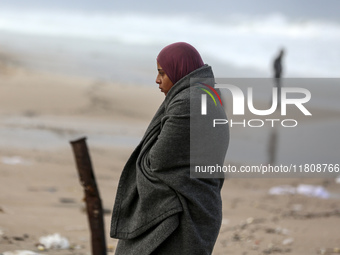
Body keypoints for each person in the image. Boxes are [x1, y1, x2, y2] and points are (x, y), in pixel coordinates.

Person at [110, 42, 229, 254]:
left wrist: (145, 165)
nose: (157, 80)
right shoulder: (208, 95)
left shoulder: (189, 101)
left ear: (179, 70)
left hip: (182, 213)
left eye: (162, 73)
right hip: (200, 205)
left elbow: (158, 160)